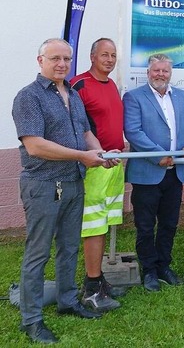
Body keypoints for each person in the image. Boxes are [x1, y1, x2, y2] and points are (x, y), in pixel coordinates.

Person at [12, 38, 112, 344]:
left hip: (73, 183)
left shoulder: (73, 94)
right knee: (38, 254)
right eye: (55, 58)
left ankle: (68, 301)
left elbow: (84, 131)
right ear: (40, 60)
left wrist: (100, 152)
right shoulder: (28, 97)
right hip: (43, 185)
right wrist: (82, 156)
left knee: (69, 247)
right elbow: (35, 145)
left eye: (67, 59)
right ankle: (32, 320)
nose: (62, 64)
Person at [123, 53, 184, 291]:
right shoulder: (134, 97)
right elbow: (133, 132)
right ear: (148, 73)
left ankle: (163, 266)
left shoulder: (181, 96)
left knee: (169, 223)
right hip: (147, 173)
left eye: (165, 71)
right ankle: (148, 270)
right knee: (145, 226)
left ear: (171, 73)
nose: (160, 75)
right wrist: (159, 155)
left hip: (175, 173)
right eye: (156, 71)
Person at [70, 38, 124, 312]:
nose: (110, 59)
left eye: (113, 55)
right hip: (94, 168)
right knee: (93, 226)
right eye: (105, 54)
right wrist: (97, 153)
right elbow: (76, 127)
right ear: (92, 56)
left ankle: (99, 279)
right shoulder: (79, 85)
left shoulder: (111, 84)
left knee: (106, 223)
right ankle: (91, 288)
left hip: (114, 165)